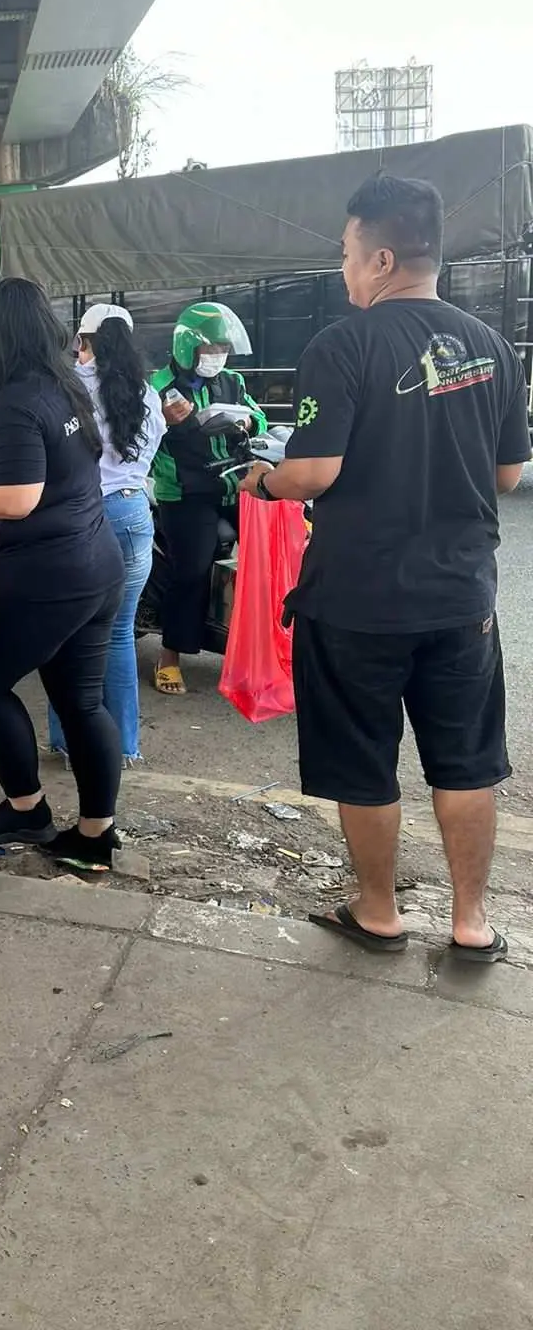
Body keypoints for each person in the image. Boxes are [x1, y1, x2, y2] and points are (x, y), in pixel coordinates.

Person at [240, 172, 529, 964]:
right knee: (467, 762)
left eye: (346, 253)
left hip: (358, 600)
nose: (342, 268)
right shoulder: (493, 346)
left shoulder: (342, 345)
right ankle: (472, 924)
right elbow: (508, 476)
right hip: (461, 599)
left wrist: (263, 479)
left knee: (365, 760)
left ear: (381, 258)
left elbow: (314, 472)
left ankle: (379, 912)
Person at [0, 278, 126, 875]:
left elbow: (17, 497)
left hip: (44, 575)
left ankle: (27, 809)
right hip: (95, 564)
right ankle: (94, 835)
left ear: (0, 332)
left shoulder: (14, 398)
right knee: (83, 702)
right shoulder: (64, 387)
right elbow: (43, 465)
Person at [48, 304, 165, 766]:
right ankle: (123, 746)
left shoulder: (70, 389)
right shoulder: (147, 394)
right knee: (118, 634)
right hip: (134, 513)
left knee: (69, 633)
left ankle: (67, 742)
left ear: (85, 341)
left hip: (82, 517)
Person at [149, 302, 266, 694]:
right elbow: (140, 437)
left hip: (236, 483)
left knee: (266, 560)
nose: (219, 357)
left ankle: (256, 650)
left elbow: (259, 418)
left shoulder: (232, 382)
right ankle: (170, 656)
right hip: (185, 493)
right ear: (187, 347)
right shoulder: (158, 386)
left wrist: (248, 421)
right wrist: (164, 422)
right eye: (211, 349)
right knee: (192, 570)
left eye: (223, 350)